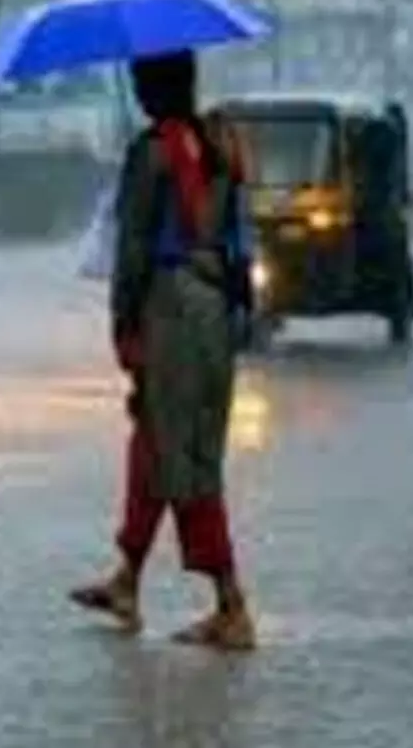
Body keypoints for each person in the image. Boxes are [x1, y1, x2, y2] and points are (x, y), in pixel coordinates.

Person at [69, 50, 257, 651]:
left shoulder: (152, 155)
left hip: (170, 309)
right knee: (155, 444)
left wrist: (123, 324)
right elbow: (240, 240)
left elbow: (132, 252)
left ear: (151, 89)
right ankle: (126, 579)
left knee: (186, 462)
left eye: (140, 82)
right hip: (216, 311)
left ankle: (232, 606)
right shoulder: (224, 146)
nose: (139, 92)